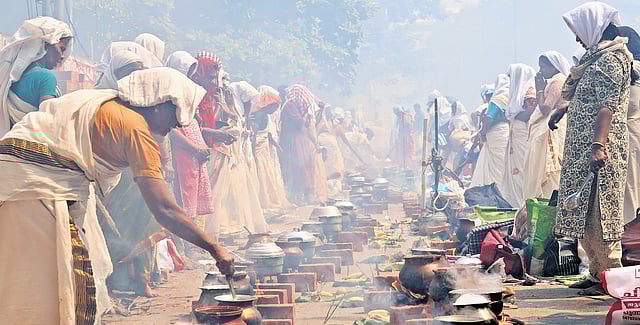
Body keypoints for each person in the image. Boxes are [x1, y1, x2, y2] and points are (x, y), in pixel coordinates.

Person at [0, 67, 234, 324]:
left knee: (35, 274)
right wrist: (214, 248)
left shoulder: (101, 100)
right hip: (31, 187)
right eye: (175, 113)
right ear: (157, 104)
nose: (177, 123)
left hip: (21, 178)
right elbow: (164, 209)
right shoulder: (136, 129)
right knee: (44, 280)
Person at [551, 2, 633, 295]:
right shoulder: (595, 59)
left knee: (601, 211)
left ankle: (612, 277)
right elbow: (589, 98)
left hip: (600, 147)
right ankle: (597, 272)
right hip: (582, 148)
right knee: (583, 210)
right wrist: (566, 107)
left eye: (578, 32)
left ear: (593, 27)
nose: (576, 38)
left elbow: (607, 106)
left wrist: (598, 145)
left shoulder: (612, 60)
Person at [0, 16, 72, 136]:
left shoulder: (9, 80)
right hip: (32, 148)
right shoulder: (46, 77)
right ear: (45, 45)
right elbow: (49, 121)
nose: (62, 56)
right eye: (61, 48)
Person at [522, 51, 571, 202]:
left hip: (552, 128)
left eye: (543, 67)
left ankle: (548, 199)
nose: (541, 71)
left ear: (553, 66)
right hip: (549, 127)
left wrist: (539, 89)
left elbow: (545, 108)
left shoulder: (558, 80)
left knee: (549, 172)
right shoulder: (554, 81)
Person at [279, 84, 329, 204]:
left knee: (305, 168)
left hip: (298, 140)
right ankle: (297, 196)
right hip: (292, 141)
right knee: (298, 169)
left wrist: (320, 110)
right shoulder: (289, 106)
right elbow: (302, 124)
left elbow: (311, 124)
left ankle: (305, 195)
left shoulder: (295, 106)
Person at [500, 63, 537, 208]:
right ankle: (514, 206)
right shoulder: (518, 94)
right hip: (516, 138)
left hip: (524, 137)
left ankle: (521, 207)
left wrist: (518, 114)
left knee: (522, 173)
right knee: (513, 174)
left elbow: (533, 114)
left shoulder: (530, 92)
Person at [249, 85, 291, 215]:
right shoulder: (259, 115)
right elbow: (255, 133)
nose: (276, 110)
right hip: (259, 149)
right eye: (275, 107)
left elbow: (267, 134)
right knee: (262, 175)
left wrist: (277, 147)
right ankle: (265, 204)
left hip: (264, 149)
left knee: (267, 175)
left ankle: (269, 202)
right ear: (269, 105)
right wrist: (253, 150)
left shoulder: (265, 115)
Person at [471, 74, 510, 188]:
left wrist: (482, 133)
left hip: (496, 134)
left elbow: (489, 119)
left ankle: (497, 189)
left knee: (497, 165)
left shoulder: (497, 100)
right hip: (504, 132)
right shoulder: (509, 98)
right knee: (501, 164)